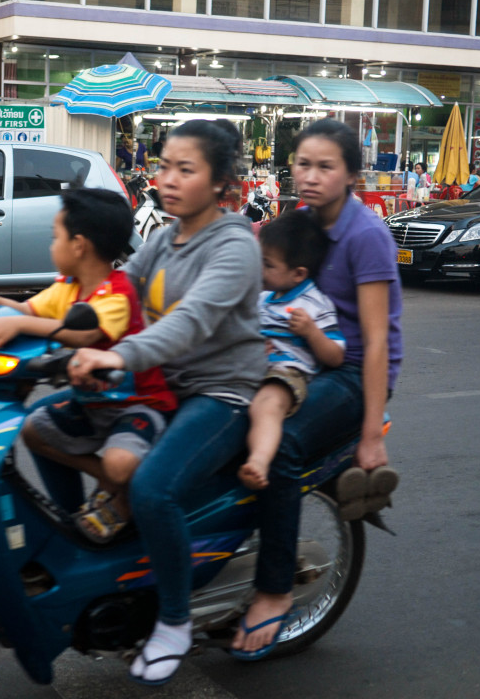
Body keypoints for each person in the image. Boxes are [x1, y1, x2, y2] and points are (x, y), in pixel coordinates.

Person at [67, 119, 264, 686]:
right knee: (45, 427)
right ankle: (91, 546)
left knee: (153, 486)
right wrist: (32, 320)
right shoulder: (162, 236)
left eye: (186, 169)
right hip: (164, 382)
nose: (168, 179)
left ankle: (174, 621)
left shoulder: (234, 246)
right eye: (164, 166)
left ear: (221, 180)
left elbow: (189, 324)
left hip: (221, 392)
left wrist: (116, 357)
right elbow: (113, 292)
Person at [229, 118, 402, 660]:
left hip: (349, 371)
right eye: (303, 163)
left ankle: (274, 591)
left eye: (325, 166)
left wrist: (371, 433)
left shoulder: (366, 235)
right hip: (299, 358)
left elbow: (374, 343)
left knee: (281, 448)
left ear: (350, 174)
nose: (310, 175)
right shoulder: (299, 220)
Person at [0, 188, 175, 543]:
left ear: (79, 245)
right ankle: (108, 482)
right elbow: (28, 310)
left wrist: (21, 325)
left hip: (138, 407)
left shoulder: (117, 293)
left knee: (121, 464)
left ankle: (122, 487)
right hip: (92, 405)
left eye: (55, 237)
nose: (51, 245)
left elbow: (83, 334)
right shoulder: (66, 288)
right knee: (34, 430)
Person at [239, 211, 346, 491]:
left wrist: (312, 332)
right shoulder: (263, 297)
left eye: (268, 265)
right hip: (252, 366)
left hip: (287, 373)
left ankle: (259, 462)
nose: (259, 270)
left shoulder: (313, 304)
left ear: (298, 274)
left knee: (267, 405)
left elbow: (336, 355)